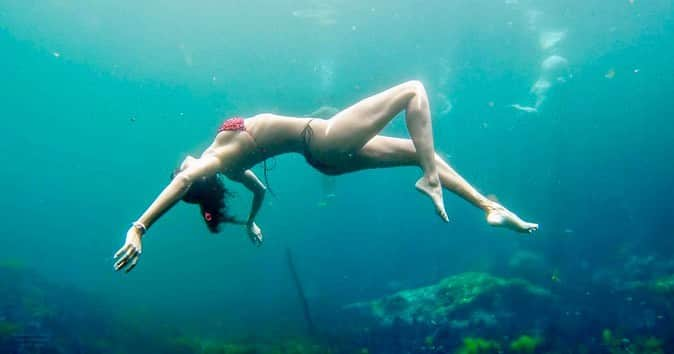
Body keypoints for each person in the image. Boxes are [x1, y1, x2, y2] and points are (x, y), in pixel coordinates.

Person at [114, 81, 538, 273]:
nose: (181, 164)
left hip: (323, 156)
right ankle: (431, 180)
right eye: (181, 169)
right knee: (414, 91)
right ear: (192, 175)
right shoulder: (212, 162)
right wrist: (139, 227)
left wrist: (253, 222)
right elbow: (182, 183)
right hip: (325, 142)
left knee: (418, 151)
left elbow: (259, 189)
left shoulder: (230, 165)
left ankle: (488, 207)